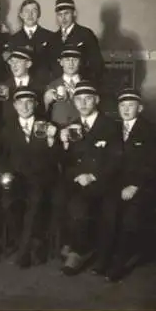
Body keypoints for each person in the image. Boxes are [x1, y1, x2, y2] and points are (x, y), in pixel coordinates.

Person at [92, 88, 156, 282]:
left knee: (129, 219)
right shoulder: (113, 129)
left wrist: (134, 186)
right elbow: (107, 161)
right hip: (116, 185)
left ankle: (119, 263)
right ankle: (103, 258)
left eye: (131, 105)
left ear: (140, 108)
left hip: (142, 186)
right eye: (122, 105)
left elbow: (154, 165)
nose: (126, 109)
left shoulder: (150, 131)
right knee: (107, 213)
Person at [58, 82, 122, 276]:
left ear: (97, 100)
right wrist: (64, 144)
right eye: (79, 99)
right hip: (79, 181)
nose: (83, 103)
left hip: (105, 181)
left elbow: (116, 160)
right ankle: (75, 246)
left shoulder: (110, 126)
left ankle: (80, 252)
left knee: (88, 207)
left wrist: (92, 175)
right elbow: (66, 162)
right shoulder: (71, 126)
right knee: (61, 199)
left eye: (88, 99)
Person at [0, 86, 61, 268]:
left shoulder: (47, 126)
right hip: (17, 179)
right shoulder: (8, 128)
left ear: (35, 105)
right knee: (8, 203)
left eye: (29, 103)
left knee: (34, 203)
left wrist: (51, 141)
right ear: (15, 106)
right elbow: (2, 157)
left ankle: (24, 252)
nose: (25, 107)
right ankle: (30, 243)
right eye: (21, 103)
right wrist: (5, 174)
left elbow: (58, 157)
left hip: (41, 178)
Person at [50, 0, 104, 83]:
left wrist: (86, 83)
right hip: (59, 85)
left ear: (74, 13)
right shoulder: (53, 38)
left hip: (82, 82)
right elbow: (51, 65)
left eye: (66, 13)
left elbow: (97, 64)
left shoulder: (86, 34)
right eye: (59, 15)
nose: (63, 18)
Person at [0, 46, 46, 129]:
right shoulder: (2, 86)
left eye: (18, 62)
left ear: (28, 64)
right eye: (12, 62)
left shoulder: (40, 87)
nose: (14, 65)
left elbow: (43, 114)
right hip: (8, 133)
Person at [9, 0, 54, 83]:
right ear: (21, 15)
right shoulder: (13, 39)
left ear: (39, 14)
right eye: (26, 11)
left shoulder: (50, 36)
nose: (30, 15)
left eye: (34, 11)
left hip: (43, 83)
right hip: (21, 85)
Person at [44, 46, 84, 127]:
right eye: (67, 60)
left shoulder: (87, 84)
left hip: (80, 128)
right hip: (58, 129)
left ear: (80, 62)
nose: (71, 63)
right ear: (61, 62)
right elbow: (45, 112)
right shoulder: (51, 85)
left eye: (75, 60)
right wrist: (46, 101)